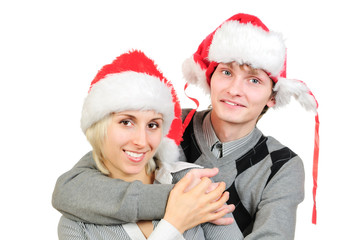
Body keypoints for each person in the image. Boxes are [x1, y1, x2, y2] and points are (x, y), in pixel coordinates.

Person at [53, 13, 319, 239]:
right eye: (226, 72)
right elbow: (72, 189)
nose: (235, 90)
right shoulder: (165, 126)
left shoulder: (282, 165)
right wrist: (176, 204)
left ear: (272, 97)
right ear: (209, 77)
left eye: (254, 80)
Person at [56, 50, 243, 239]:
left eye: (152, 125)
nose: (141, 141)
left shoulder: (195, 184)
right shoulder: (74, 224)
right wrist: (173, 225)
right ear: (99, 127)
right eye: (126, 122)